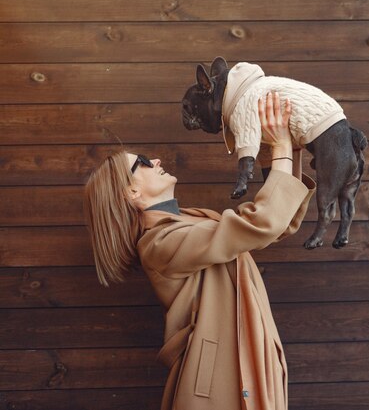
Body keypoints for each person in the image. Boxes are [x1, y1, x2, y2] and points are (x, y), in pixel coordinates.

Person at [84, 92, 315, 410]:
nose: (157, 161)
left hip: (245, 367)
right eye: (143, 164)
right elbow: (262, 223)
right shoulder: (160, 244)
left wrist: (281, 150)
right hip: (219, 388)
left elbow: (275, 225)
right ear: (132, 192)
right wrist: (281, 150)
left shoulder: (190, 221)